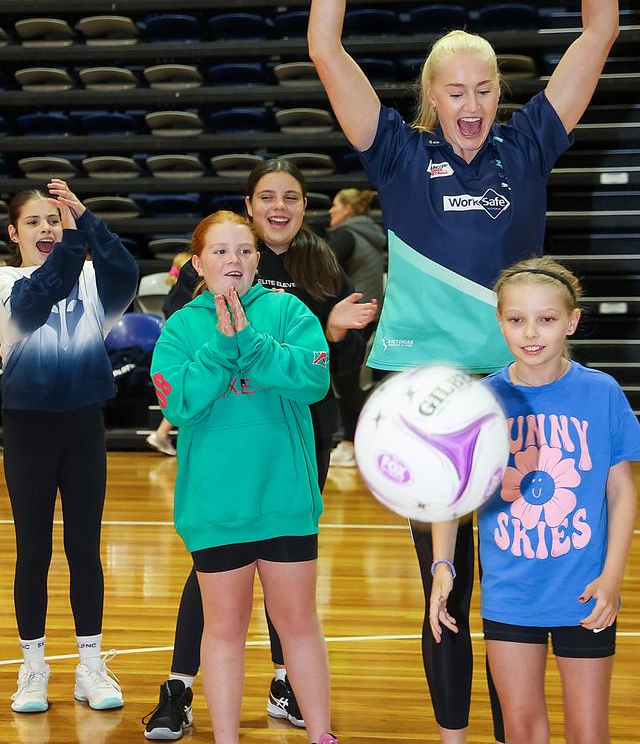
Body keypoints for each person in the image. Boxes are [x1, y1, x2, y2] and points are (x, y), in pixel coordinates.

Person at [307, 0, 619, 738]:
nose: (472, 104)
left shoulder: (530, 143)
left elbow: (599, 33)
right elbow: (326, 49)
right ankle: (452, 733)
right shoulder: (398, 156)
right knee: (445, 580)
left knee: (524, 576)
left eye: (485, 88)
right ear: (430, 97)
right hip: (430, 400)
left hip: (522, 394)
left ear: (499, 93)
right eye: (455, 90)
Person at [143, 160, 375, 740]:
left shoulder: (290, 311)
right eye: (219, 253)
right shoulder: (179, 330)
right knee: (223, 630)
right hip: (215, 507)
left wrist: (246, 338)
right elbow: (179, 405)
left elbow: (313, 381)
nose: (235, 263)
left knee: (299, 625)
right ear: (197, 263)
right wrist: (223, 348)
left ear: (257, 256)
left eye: (244, 252)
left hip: (285, 500)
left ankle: (320, 733)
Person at [430, 257, 640, 744]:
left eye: (546, 319)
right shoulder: (481, 401)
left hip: (584, 592)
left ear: (571, 321)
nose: (531, 332)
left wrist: (612, 576)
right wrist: (442, 565)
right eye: (516, 319)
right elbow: (454, 495)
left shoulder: (601, 392)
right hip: (511, 593)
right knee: (523, 729)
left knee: (588, 732)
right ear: (500, 321)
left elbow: (621, 489)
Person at [0, 181, 138, 713]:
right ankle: (32, 666)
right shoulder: (7, 282)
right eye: (34, 222)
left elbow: (124, 273)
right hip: (28, 428)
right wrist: (75, 242)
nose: (46, 230)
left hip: (83, 425)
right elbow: (33, 307)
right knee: (32, 551)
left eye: (53, 221)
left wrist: (88, 221)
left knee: (85, 549)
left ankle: (90, 663)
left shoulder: (87, 274)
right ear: (14, 233)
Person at [327, 188, 386, 466]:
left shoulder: (346, 235)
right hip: (367, 314)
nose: (330, 211)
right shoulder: (370, 235)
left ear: (348, 210)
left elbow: (321, 268)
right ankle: (353, 443)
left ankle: (364, 441)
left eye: (335, 205)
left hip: (351, 315)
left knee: (346, 383)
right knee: (350, 382)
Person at [146, 250, 192, 457]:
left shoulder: (172, 294)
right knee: (184, 394)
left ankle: (162, 434)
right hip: (185, 349)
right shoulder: (188, 296)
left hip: (173, 349)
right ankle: (162, 434)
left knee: (182, 394)